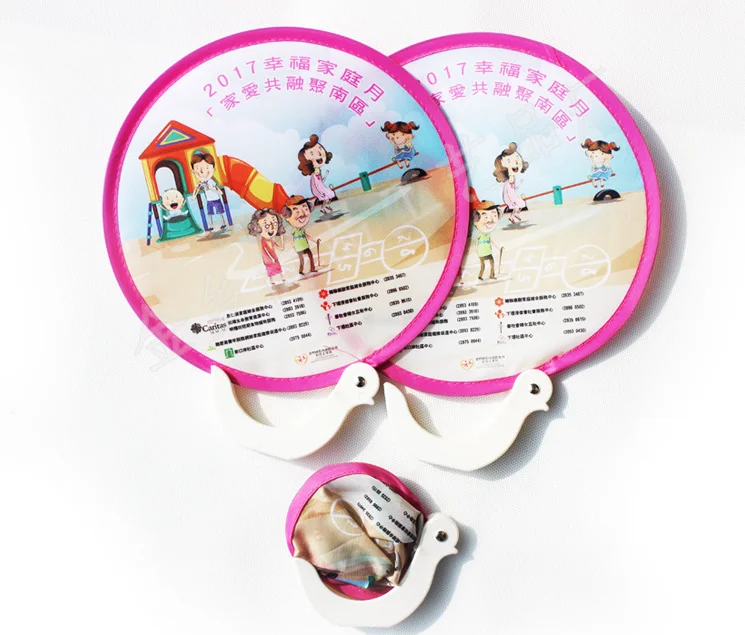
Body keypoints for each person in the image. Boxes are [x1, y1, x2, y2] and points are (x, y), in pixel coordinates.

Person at [298, 134, 336, 214]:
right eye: (312, 153)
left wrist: (326, 175)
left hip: (322, 187)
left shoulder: (319, 172)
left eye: (320, 149)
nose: (318, 154)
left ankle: (326, 206)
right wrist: (319, 193)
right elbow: (314, 186)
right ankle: (323, 208)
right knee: (326, 197)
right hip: (318, 190)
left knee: (330, 195)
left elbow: (321, 181)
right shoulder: (313, 175)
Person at [247, 208, 286, 285]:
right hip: (268, 259)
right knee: (270, 270)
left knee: (278, 267)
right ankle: (272, 280)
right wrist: (271, 258)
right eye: (267, 225)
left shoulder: (271, 241)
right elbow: (265, 250)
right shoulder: (263, 241)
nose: (271, 228)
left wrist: (282, 239)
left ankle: (281, 277)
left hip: (274, 258)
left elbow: (280, 248)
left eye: (275, 224)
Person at [493, 142, 529, 224]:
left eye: (517, 159)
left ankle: (514, 215)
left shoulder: (512, 178)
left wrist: (520, 184)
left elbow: (513, 189)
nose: (515, 163)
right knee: (518, 205)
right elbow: (508, 192)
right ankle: (513, 216)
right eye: (509, 161)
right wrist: (513, 200)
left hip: (512, 196)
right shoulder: (510, 179)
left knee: (520, 205)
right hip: (510, 198)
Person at [281, 195, 318, 275]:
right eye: (296, 211)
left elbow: (307, 236)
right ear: (287, 217)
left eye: (305, 209)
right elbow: (292, 239)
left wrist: (314, 241)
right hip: (299, 248)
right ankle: (300, 271)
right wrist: (293, 246)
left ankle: (312, 268)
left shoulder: (302, 229)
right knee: (302, 260)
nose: (302, 214)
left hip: (305, 246)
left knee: (310, 256)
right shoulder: (294, 230)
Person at [191, 152, 227, 230]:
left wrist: (211, 188)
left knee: (220, 213)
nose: (202, 172)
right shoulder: (201, 182)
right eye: (197, 168)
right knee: (210, 214)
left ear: (213, 169)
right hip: (209, 200)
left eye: (207, 168)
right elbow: (196, 190)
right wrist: (194, 194)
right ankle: (211, 226)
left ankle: (223, 223)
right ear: (193, 171)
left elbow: (220, 192)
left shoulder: (211, 181)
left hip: (216, 199)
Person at [471, 198, 503, 280]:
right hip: (483, 253)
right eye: (485, 216)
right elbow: (476, 243)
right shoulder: (480, 235)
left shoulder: (487, 235)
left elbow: (491, 242)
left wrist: (499, 247)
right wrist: (477, 251)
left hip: (486, 252)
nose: (490, 220)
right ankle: (483, 276)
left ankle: (487, 275)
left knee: (489, 264)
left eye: (494, 215)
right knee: (485, 264)